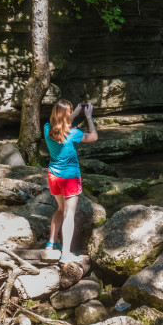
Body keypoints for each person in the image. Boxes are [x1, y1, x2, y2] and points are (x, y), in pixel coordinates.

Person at [43, 99, 98, 262]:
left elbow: (61, 125)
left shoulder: (47, 129)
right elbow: (94, 136)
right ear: (67, 115)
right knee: (69, 215)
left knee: (60, 209)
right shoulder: (74, 134)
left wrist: (75, 113)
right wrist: (88, 116)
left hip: (54, 176)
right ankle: (66, 254)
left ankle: (51, 244)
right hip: (70, 178)